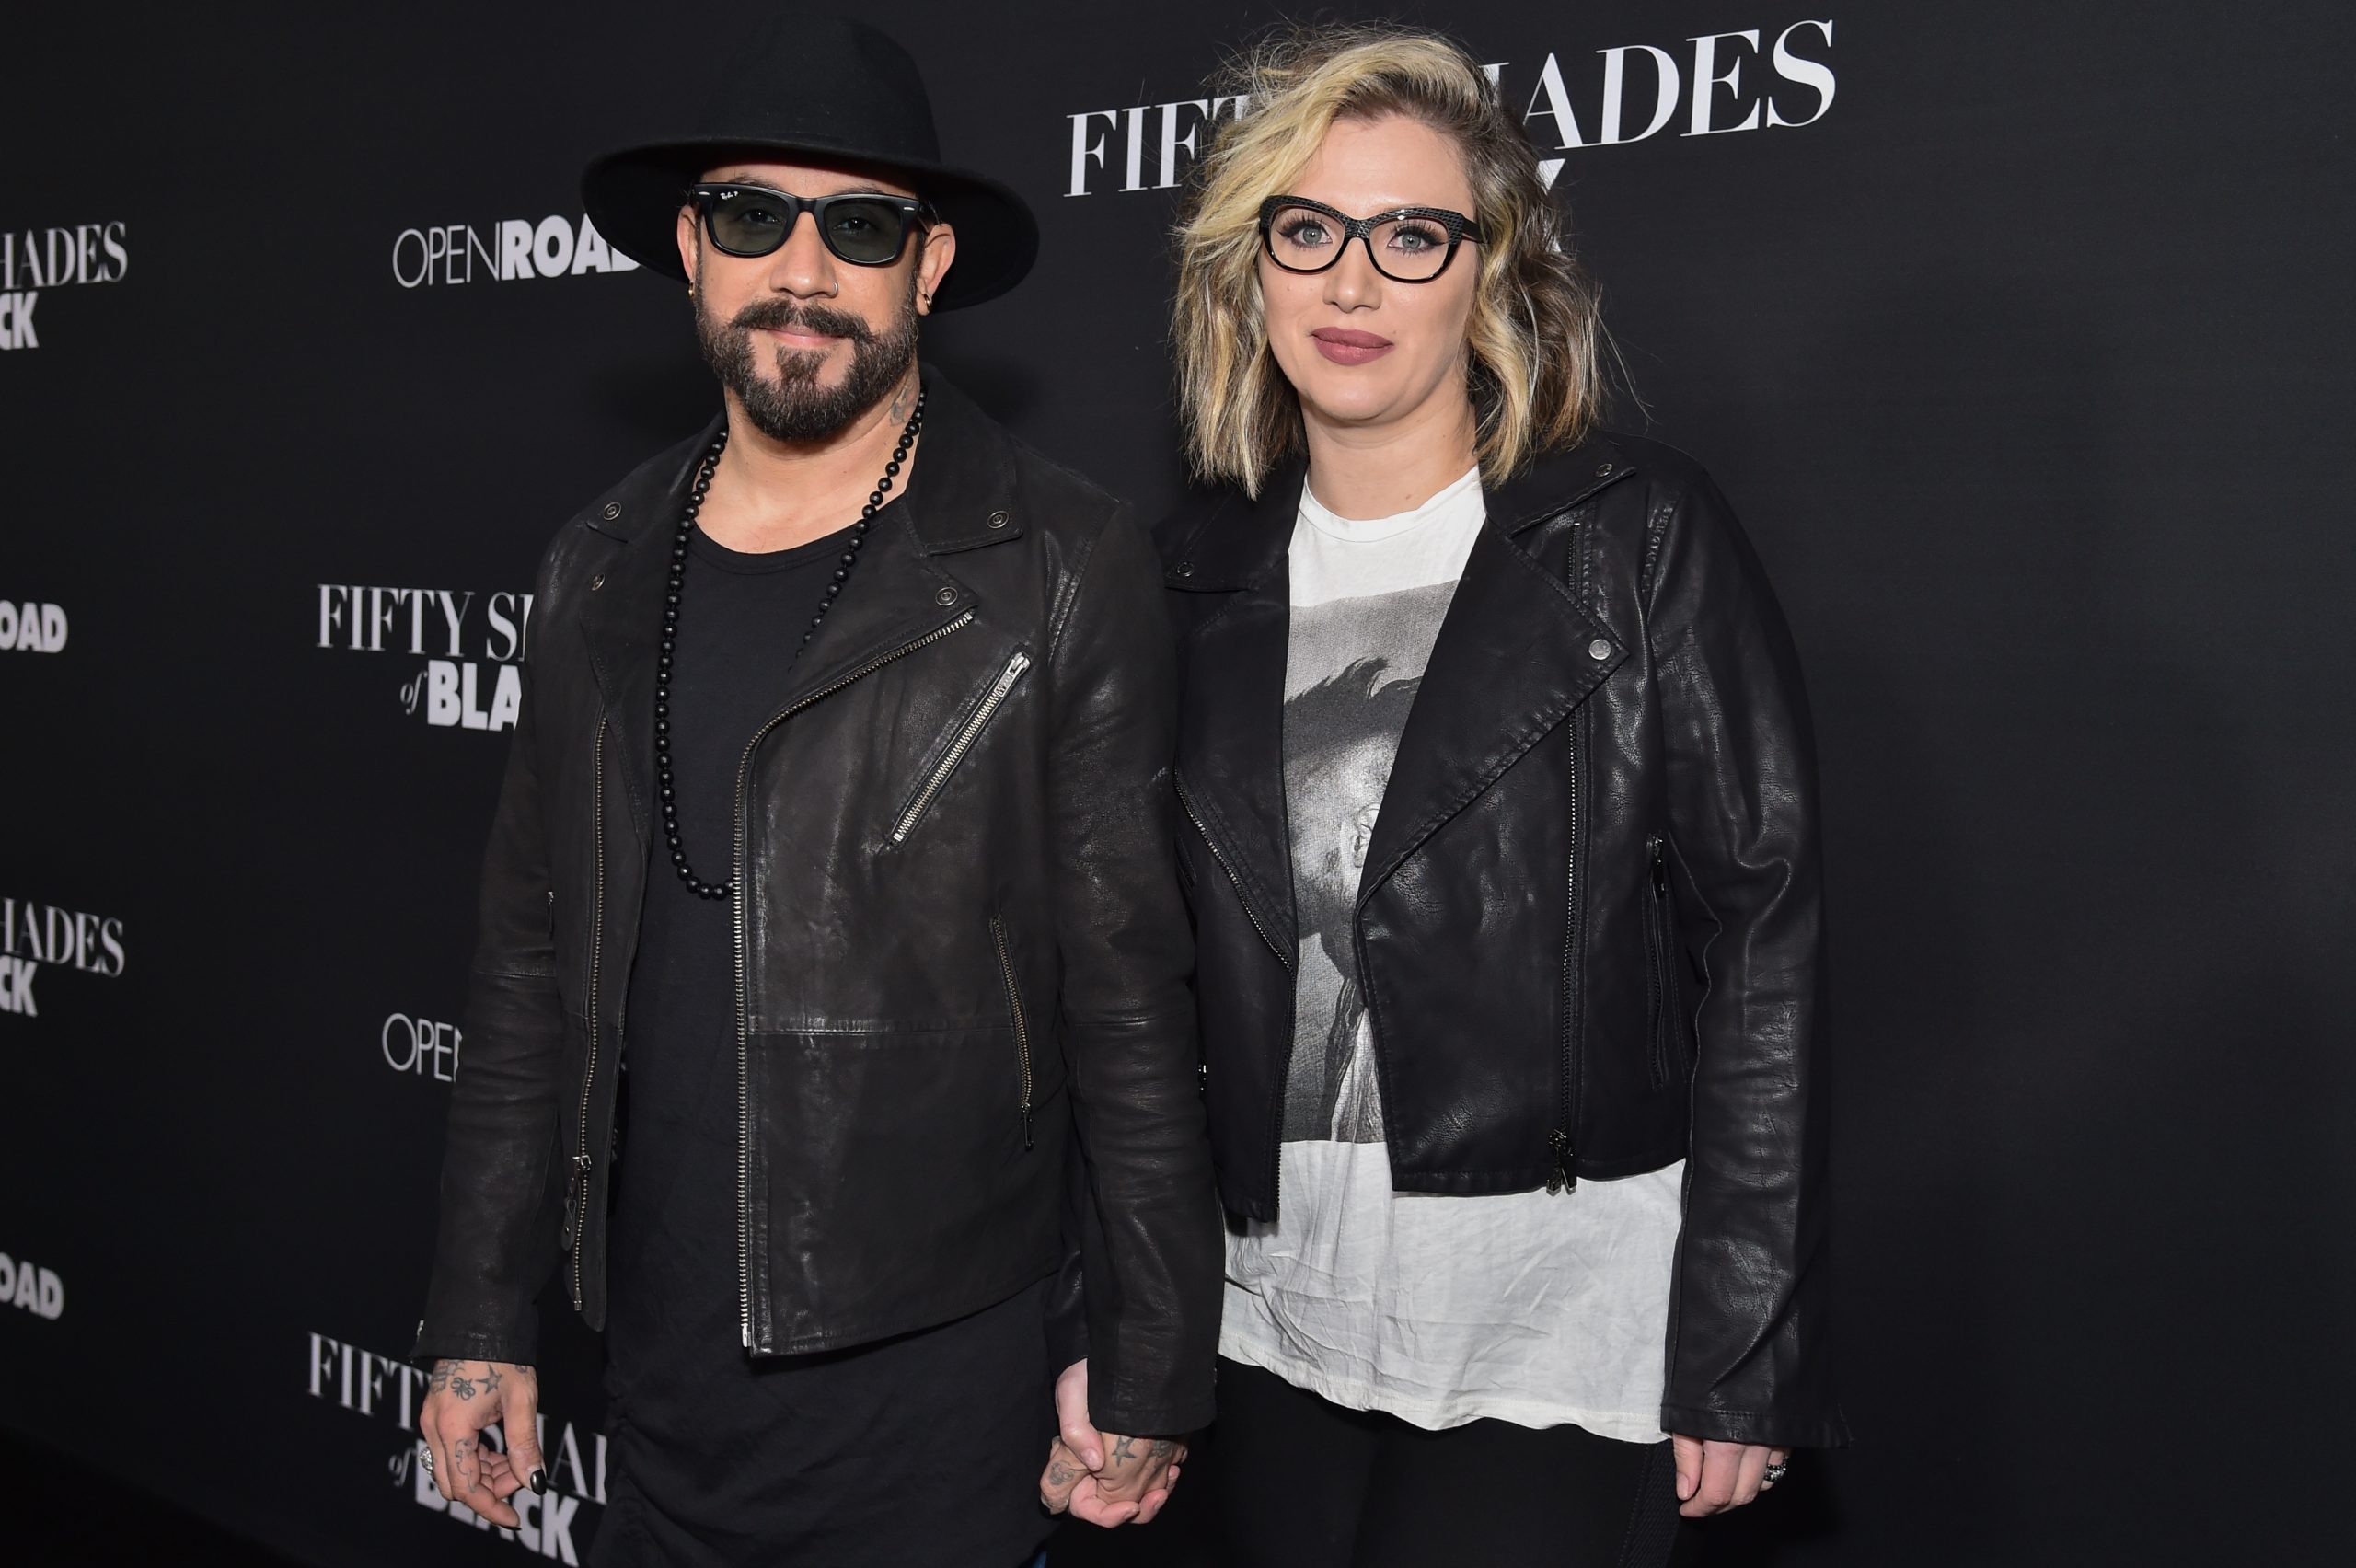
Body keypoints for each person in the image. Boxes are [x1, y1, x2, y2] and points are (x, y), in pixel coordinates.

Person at [406, 14, 1218, 1564]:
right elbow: (525, 972)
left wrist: (1152, 1345)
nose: (802, 267)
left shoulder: (1057, 562)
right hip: (656, 1375)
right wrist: (476, 1314)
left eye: (859, 225)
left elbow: (1130, 991)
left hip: (943, 1383)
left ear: (931, 265)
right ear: (691, 252)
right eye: (751, 214)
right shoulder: (595, 565)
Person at [1047, 23, 1846, 1565]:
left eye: (1412, 234)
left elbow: (1769, 944)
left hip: (1549, 1343)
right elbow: (1129, 999)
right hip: (1265, 1335)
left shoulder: (1637, 542)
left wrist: (1747, 1340)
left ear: (1492, 271)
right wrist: (1125, 1320)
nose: (1353, 282)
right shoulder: (1182, 579)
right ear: (1250, 269)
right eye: (1308, 229)